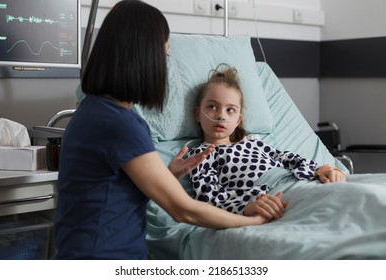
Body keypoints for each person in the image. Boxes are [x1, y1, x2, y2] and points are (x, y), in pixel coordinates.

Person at [54, 0, 272, 260]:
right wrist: (255, 223)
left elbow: (109, 191)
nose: (164, 66)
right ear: (145, 57)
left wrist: (167, 175)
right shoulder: (120, 125)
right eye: (165, 54)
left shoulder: (91, 110)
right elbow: (184, 211)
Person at [187, 64, 346, 219]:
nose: (221, 115)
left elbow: (285, 157)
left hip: (302, 180)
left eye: (230, 110)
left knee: (358, 193)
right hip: (274, 197)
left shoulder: (251, 143)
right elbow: (209, 198)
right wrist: (247, 208)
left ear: (238, 120)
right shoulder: (200, 156)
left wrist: (320, 170)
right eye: (212, 107)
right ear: (197, 114)